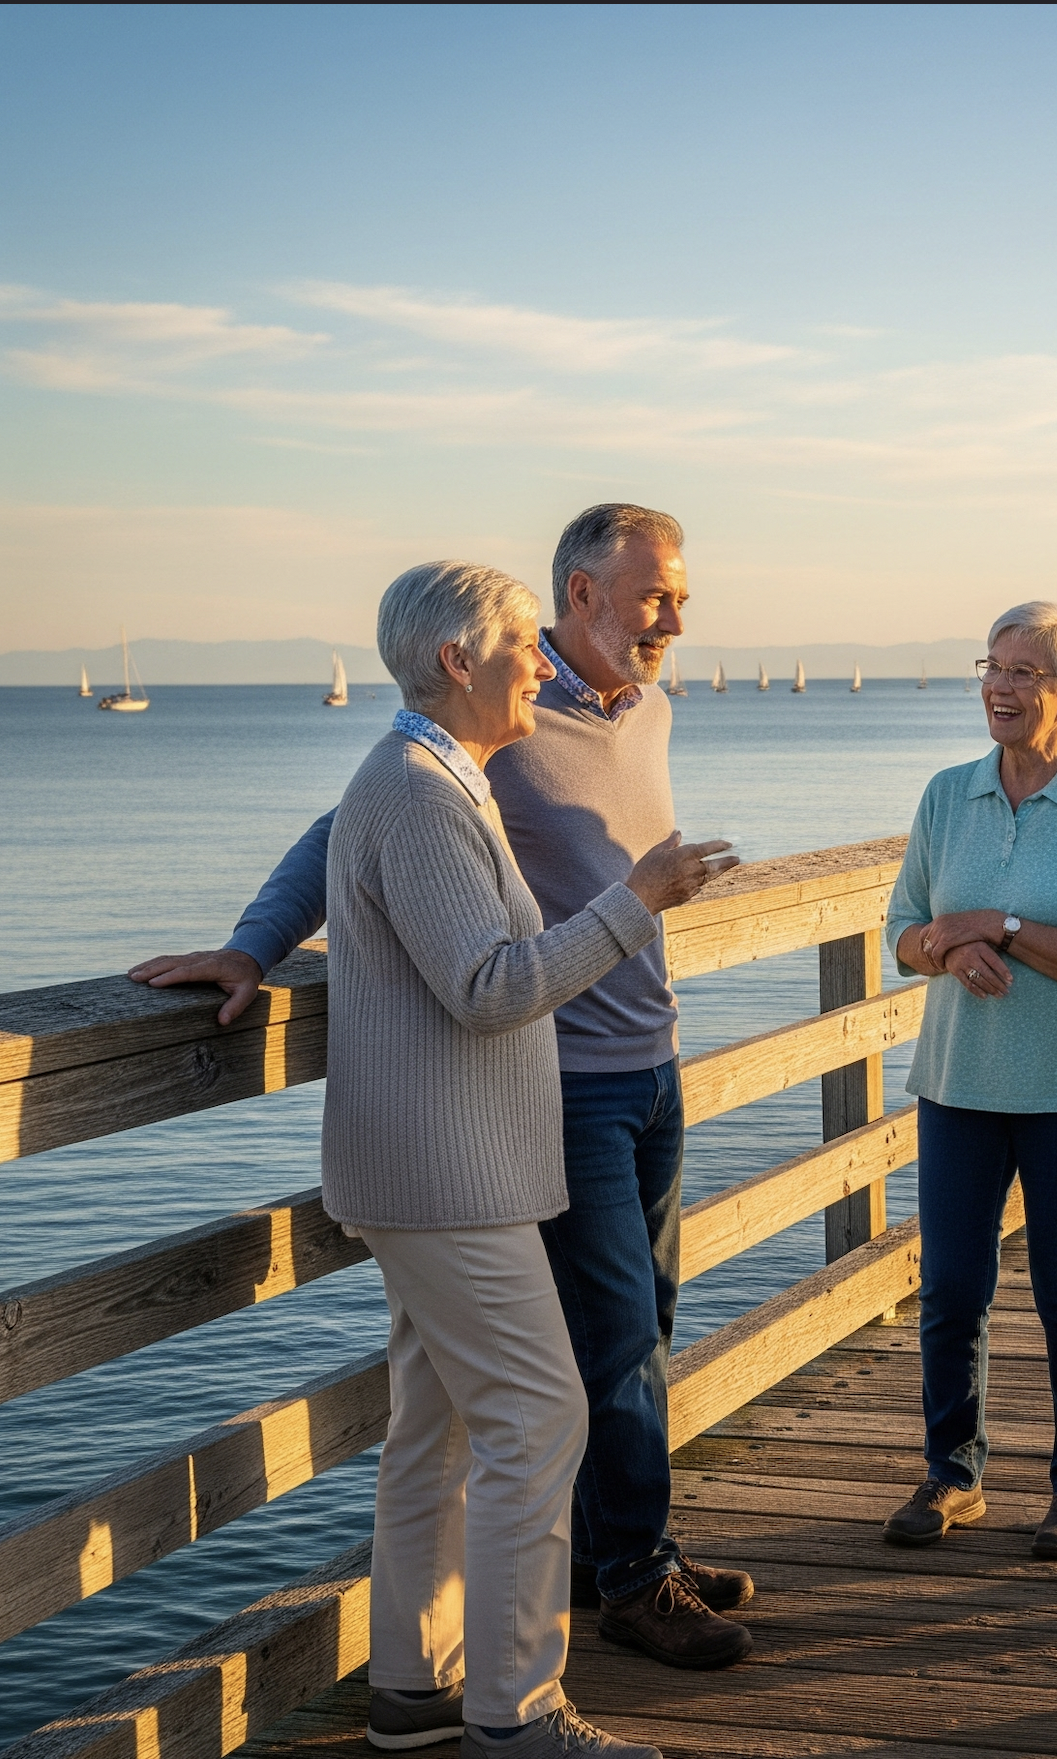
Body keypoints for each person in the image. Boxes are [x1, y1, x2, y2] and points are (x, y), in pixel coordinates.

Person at [129, 505, 755, 1673]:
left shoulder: (650, 706)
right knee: (604, 1348)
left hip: (650, 1060)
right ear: (579, 593)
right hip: (547, 1083)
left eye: (681, 595)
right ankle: (632, 1580)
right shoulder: (496, 713)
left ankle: (619, 1541)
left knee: (644, 1326)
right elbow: (344, 835)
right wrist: (253, 948)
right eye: (654, 595)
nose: (675, 616)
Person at [324, 561, 720, 1759]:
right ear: (459, 662)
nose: (540, 666)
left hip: (438, 1161)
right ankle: (513, 1717)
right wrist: (633, 902)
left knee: (435, 1428)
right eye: (519, 649)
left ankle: (413, 1688)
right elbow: (490, 985)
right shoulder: (417, 791)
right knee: (540, 1415)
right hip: (450, 1174)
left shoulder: (436, 775)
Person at [882, 601, 1057, 1560]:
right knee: (953, 1288)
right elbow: (903, 931)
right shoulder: (948, 794)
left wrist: (997, 926)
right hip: (958, 1081)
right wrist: (946, 950)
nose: (1000, 684)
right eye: (993, 665)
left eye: (1027, 670)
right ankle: (952, 1475)